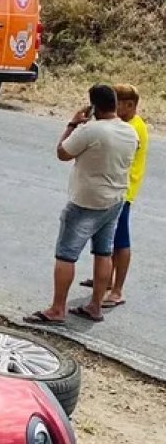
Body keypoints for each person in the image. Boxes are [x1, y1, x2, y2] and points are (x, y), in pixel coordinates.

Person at [25, 84, 138, 325]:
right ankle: (95, 306)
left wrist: (72, 124)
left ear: (94, 106)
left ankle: (57, 309)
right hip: (114, 200)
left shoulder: (90, 131)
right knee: (103, 252)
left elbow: (63, 153)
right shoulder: (130, 132)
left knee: (66, 254)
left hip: (86, 201)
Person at [80, 83, 149, 307]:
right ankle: (106, 279)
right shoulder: (125, 124)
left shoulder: (134, 128)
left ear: (130, 105)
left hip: (124, 191)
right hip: (114, 189)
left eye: (117, 104)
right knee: (107, 239)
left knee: (120, 241)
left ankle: (118, 290)